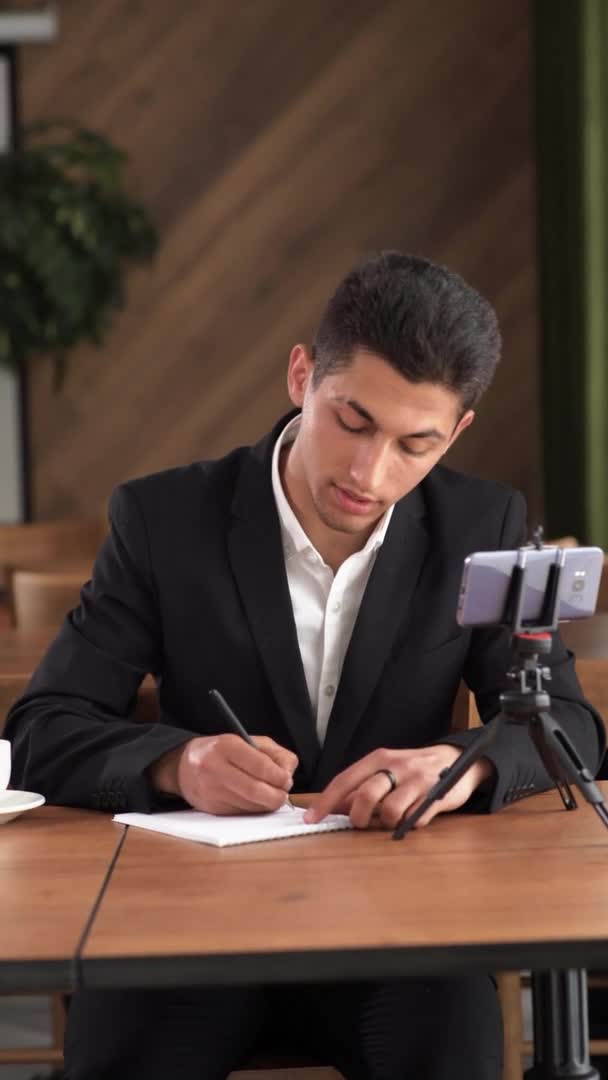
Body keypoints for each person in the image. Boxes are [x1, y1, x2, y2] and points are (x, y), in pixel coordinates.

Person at [6, 251, 604, 1080]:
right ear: (301, 376)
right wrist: (179, 762)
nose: (370, 474)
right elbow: (40, 730)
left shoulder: (484, 522)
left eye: (414, 444)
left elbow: (570, 724)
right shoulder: (163, 518)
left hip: (403, 937)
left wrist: (458, 766)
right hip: (186, 930)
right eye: (351, 421)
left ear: (458, 432)